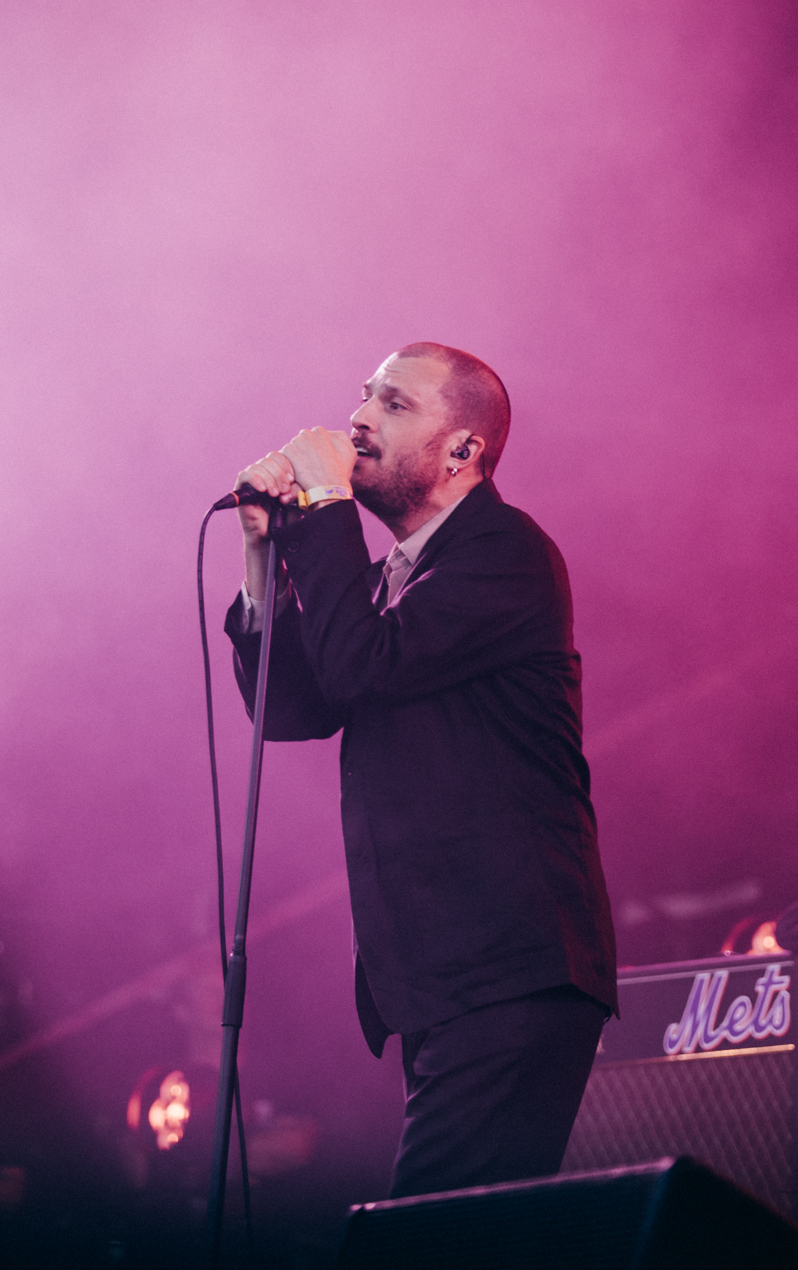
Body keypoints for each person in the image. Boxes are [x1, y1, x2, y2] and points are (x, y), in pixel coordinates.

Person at [227, 342, 617, 1196]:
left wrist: (324, 503)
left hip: (512, 967)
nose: (359, 418)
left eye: (394, 404)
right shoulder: (386, 582)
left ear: (462, 450)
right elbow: (295, 708)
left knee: (423, 1242)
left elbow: (365, 667)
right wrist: (265, 558)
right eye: (363, 396)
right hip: (446, 978)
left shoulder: (506, 552)